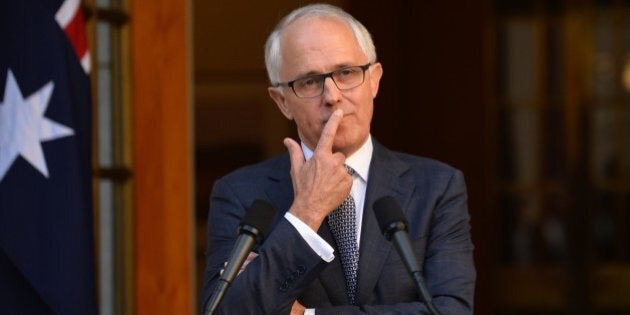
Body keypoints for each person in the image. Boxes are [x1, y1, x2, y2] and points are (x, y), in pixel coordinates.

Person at [200, 3, 475, 314]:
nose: (332, 96)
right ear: (282, 101)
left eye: (346, 73)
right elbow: (223, 311)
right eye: (309, 81)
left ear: (374, 80)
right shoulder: (240, 194)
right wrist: (306, 211)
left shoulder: (437, 187)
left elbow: (452, 311)